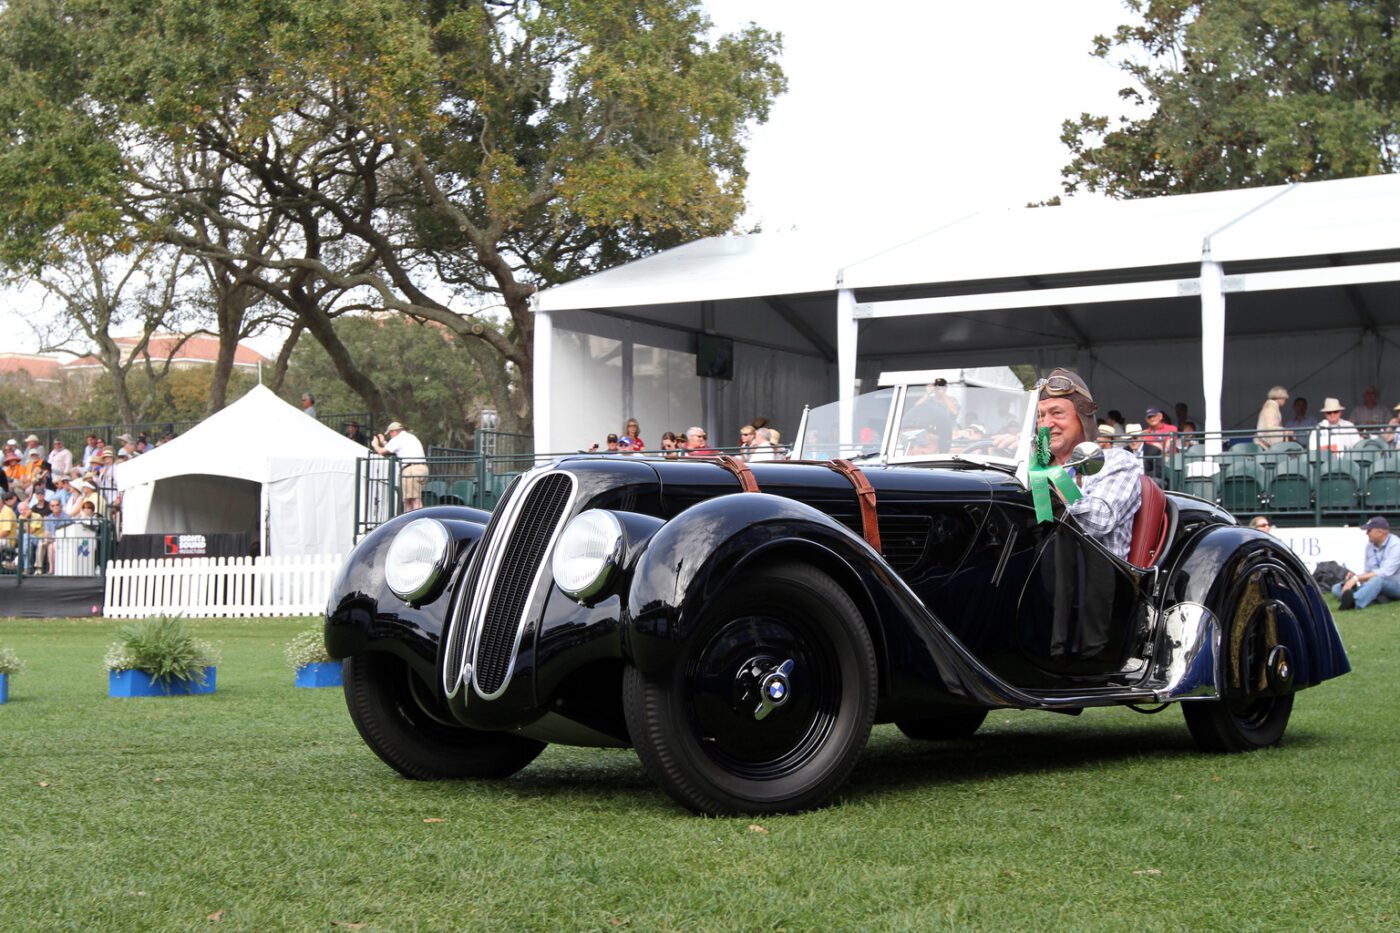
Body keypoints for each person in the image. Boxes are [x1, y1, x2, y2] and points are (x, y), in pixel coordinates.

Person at [1036, 368, 1143, 561]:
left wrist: (1045, 470)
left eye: (1057, 413)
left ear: (1082, 416)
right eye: (1040, 416)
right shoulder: (1032, 464)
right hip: (1036, 575)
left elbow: (1097, 521)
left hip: (1093, 580)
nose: (1046, 424)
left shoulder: (1116, 460)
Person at [1333, 516, 1400, 611]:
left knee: (1378, 580)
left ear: (1380, 532)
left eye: (1369, 530)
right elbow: (1368, 571)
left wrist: (1356, 578)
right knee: (1337, 587)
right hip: (1374, 583)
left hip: (1396, 585)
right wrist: (1354, 577)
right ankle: (1377, 595)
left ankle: (1353, 602)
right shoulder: (1369, 546)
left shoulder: (1396, 545)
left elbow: (1385, 572)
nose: (1366, 533)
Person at [373, 421, 428, 511]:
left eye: (390, 434)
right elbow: (394, 449)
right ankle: (410, 520)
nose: (391, 436)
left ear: (393, 432)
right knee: (409, 499)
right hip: (422, 469)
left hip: (411, 470)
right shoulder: (410, 437)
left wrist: (375, 445)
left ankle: (415, 521)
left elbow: (381, 451)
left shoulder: (398, 439)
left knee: (414, 500)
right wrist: (383, 441)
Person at [1254, 385, 1290, 449]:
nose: (1285, 400)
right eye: (1284, 398)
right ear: (1279, 397)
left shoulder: (1271, 407)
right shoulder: (1270, 408)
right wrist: (1285, 431)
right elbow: (1269, 428)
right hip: (1265, 445)